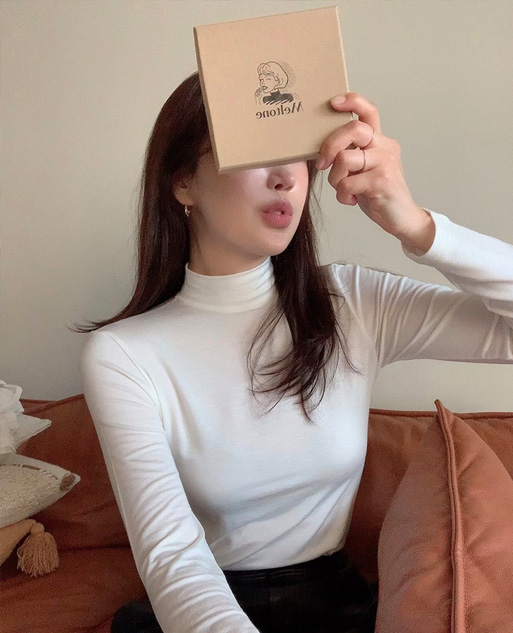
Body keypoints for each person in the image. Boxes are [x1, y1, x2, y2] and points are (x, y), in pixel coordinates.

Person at [75, 70, 513, 633]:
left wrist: (416, 224)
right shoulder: (123, 354)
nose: (286, 178)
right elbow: (172, 558)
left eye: (300, 157)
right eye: (256, 153)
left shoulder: (352, 304)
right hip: (205, 610)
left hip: (337, 607)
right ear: (183, 182)